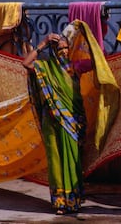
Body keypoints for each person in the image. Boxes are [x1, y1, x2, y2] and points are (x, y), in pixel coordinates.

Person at [22, 32, 87, 215]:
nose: (64, 52)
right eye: (60, 49)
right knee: (56, 160)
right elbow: (26, 63)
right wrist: (42, 43)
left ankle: (73, 200)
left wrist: (85, 33)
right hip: (50, 120)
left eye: (66, 48)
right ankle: (59, 202)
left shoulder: (76, 67)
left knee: (72, 159)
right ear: (53, 51)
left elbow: (98, 62)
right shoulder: (45, 68)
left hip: (71, 122)